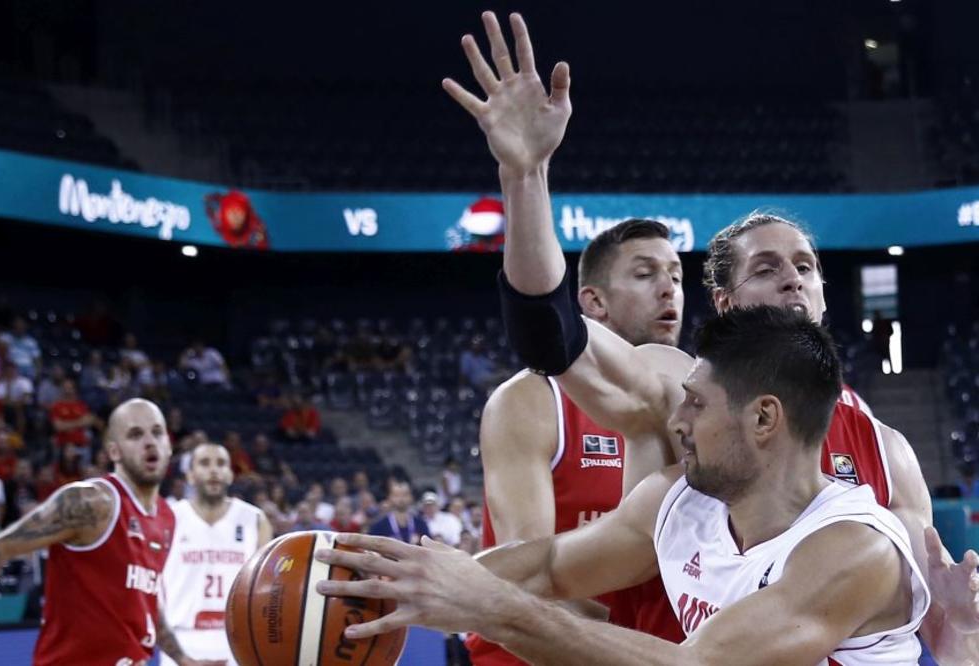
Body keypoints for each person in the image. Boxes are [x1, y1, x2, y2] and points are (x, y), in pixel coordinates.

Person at [443, 11, 978, 663]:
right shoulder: (689, 392)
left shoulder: (884, 450)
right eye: (767, 268)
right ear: (724, 306)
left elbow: (945, 619)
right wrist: (525, 176)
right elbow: (552, 336)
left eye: (806, 267)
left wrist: (961, 638)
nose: (792, 281)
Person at [314, 307, 931, 664]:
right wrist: (394, 582)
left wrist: (494, 609)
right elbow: (551, 565)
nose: (678, 422)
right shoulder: (680, 500)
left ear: (763, 418)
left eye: (695, 404)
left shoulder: (855, 550)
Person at [469, 218, 685, 664]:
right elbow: (526, 580)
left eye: (677, 275)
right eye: (645, 274)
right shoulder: (532, 399)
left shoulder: (695, 404)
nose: (668, 289)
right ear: (594, 302)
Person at [0, 398, 219, 665]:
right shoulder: (92, 502)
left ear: (169, 445)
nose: (150, 442)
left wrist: (183, 659)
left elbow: (145, 598)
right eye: (135, 435)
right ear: (114, 451)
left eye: (157, 432)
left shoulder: (165, 517)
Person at [160, 442, 272, 666]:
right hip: (181, 639)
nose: (214, 470)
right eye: (204, 463)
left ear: (230, 474)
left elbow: (266, 590)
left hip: (237, 639)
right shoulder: (168, 518)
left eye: (221, 463)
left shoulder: (255, 519)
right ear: (190, 475)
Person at [368, 480, 429, 545]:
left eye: (405, 495)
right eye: (396, 495)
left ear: (411, 497)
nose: (401, 499)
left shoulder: (421, 524)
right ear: (389, 497)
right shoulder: (379, 526)